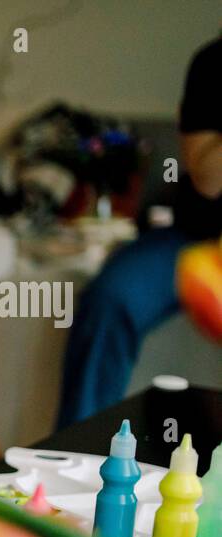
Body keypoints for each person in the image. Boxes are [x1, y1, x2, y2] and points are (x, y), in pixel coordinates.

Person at [57, 34, 222, 427]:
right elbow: (209, 179)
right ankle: (75, 449)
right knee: (111, 297)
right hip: (196, 236)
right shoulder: (212, 64)